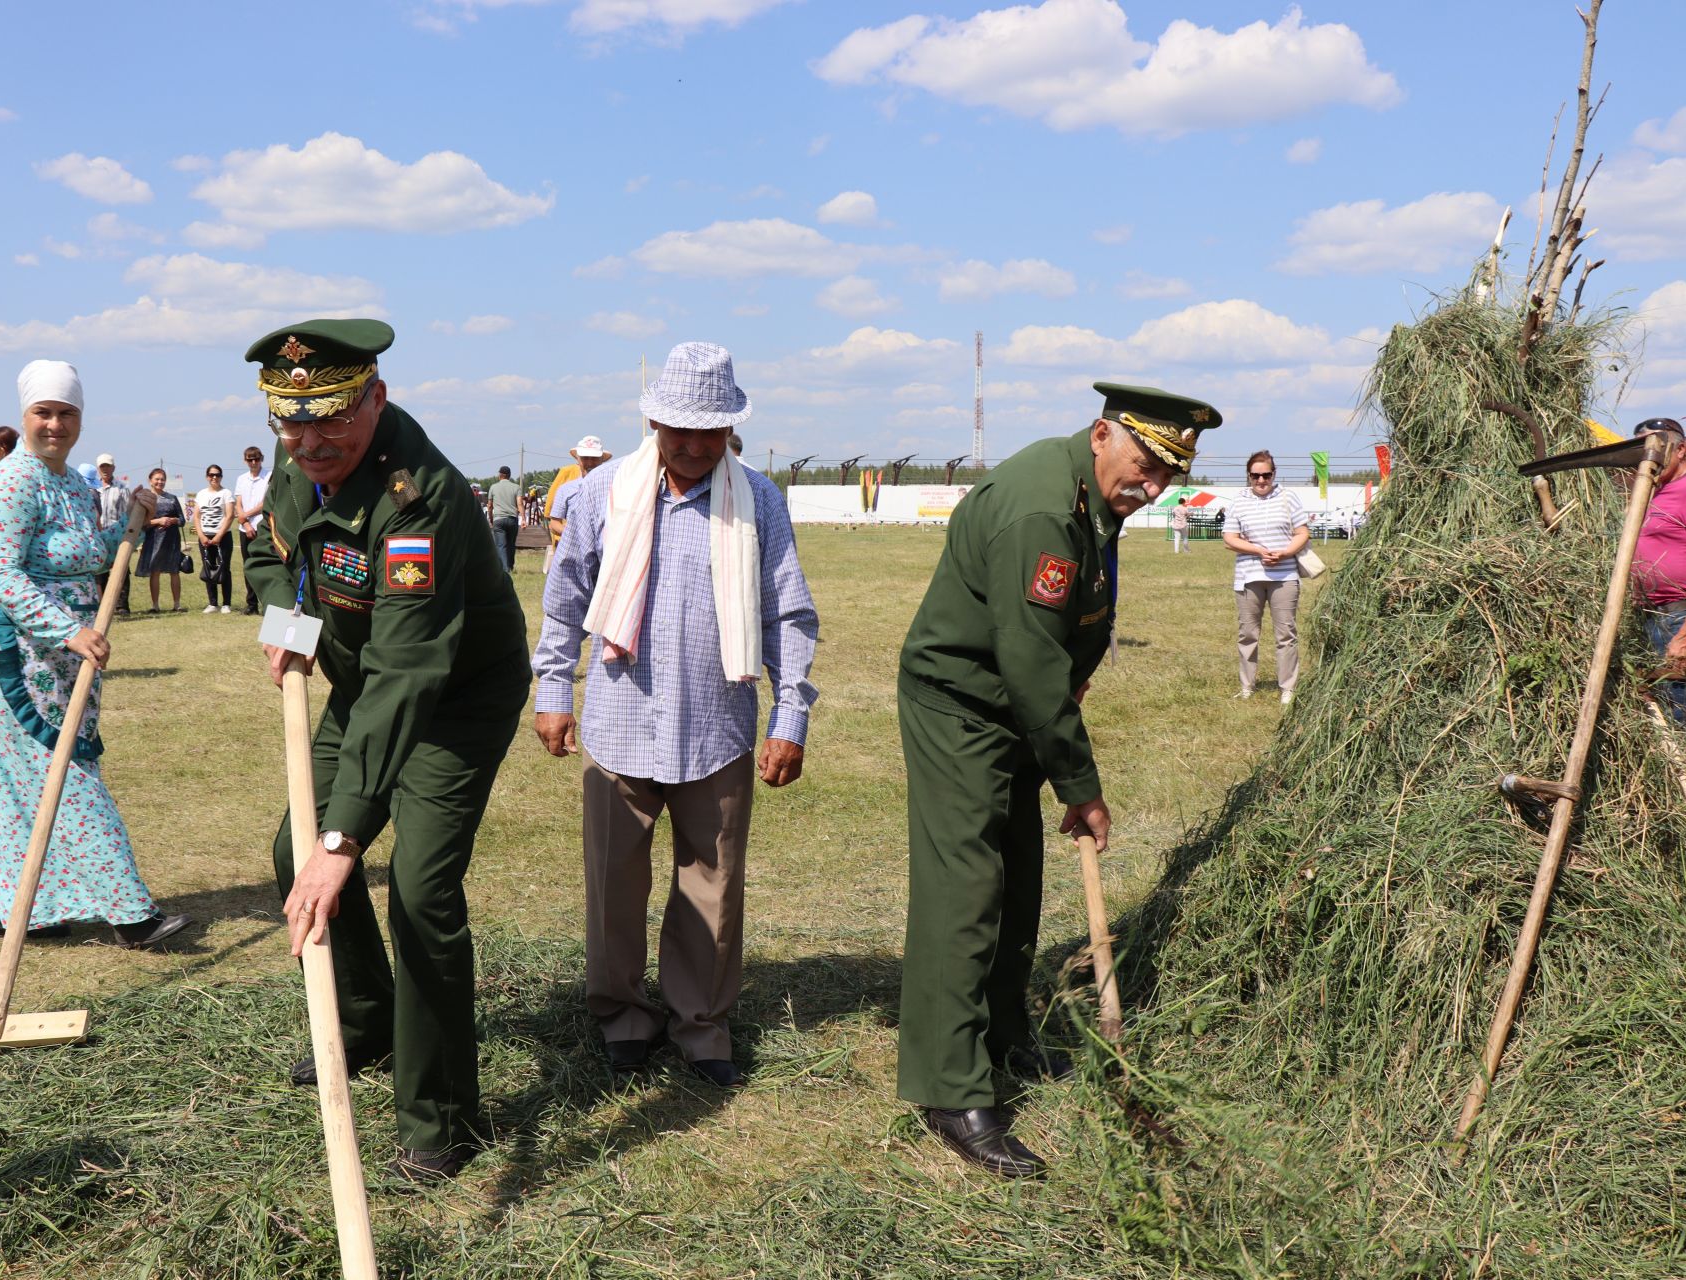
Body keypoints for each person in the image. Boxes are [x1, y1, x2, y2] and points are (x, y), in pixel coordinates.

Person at [895, 381, 1220, 1178]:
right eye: (1145, 465)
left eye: (1167, 477)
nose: (1151, 489)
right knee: (966, 887)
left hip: (1014, 705)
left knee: (1018, 878)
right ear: (1103, 432)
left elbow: (1063, 634)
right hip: (962, 707)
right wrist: (1081, 785)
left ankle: (1005, 1037)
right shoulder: (1044, 506)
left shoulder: (1090, 496)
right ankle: (951, 1086)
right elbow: (1032, 662)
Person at [243, 319, 530, 1185]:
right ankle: (365, 1022)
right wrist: (285, 623)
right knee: (293, 845)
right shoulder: (302, 462)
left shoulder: (421, 498)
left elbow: (413, 668)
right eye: (291, 423)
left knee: (419, 889)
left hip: (455, 697)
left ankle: (443, 1114)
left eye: (330, 418)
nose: (309, 442)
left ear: (378, 396)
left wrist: (346, 842)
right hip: (367, 683)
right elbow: (270, 552)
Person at [533, 341, 820, 1089]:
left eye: (710, 433)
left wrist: (790, 715)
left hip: (717, 726)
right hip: (619, 724)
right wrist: (554, 691)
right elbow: (563, 603)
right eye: (678, 431)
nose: (693, 447)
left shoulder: (757, 500)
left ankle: (702, 1023)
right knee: (613, 882)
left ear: (732, 430)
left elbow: (787, 613)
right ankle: (622, 1015)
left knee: (714, 883)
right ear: (654, 422)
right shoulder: (602, 497)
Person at [0, 360, 192, 947]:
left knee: (23, 778)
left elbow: (88, 556)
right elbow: (0, 574)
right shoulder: (6, 483)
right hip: (18, 652)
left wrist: (132, 526)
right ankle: (131, 913)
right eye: (43, 412)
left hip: (72, 652)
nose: (54, 425)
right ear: (24, 416)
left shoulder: (70, 483)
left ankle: (15, 907)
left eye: (66, 413)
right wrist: (65, 629)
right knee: (62, 774)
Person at [1630, 419, 1686, 741]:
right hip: (1652, 617)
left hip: (1677, 617)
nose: (1646, 457)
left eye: (1654, 448)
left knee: (1683, 715)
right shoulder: (1656, 492)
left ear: (1680, 449)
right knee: (1662, 713)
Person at [1221, 450, 1310, 705]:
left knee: (1286, 634)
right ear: (1248, 475)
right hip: (1248, 576)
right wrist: (1259, 550)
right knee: (1248, 633)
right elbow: (1230, 538)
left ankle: (1288, 688)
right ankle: (1247, 685)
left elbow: (1302, 532)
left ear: (1274, 474)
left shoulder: (1288, 497)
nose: (1261, 480)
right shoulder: (1238, 500)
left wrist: (1284, 553)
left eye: (1266, 475)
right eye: (1255, 475)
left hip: (1285, 576)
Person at [545, 435, 612, 561]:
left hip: (606, 555)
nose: (590, 462)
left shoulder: (614, 489)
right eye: (585, 458)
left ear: (602, 460)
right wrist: (573, 534)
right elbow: (554, 523)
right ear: (578, 460)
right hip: (573, 554)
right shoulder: (565, 490)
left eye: (594, 458)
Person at [136, 467, 186, 611]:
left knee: (174, 571)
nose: (160, 482)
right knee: (155, 572)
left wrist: (173, 520)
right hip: (153, 540)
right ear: (150, 481)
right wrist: (158, 521)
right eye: (157, 479)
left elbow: (182, 520)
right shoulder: (145, 499)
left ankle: (177, 605)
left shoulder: (172, 498)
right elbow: (141, 523)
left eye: (162, 479)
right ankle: (155, 606)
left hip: (172, 540)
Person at [234, 444, 271, 614]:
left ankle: (268, 603)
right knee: (248, 565)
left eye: (256, 459)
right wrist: (245, 523)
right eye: (250, 459)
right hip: (245, 528)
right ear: (245, 461)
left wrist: (245, 516)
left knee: (265, 566)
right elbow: (238, 503)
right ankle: (251, 604)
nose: (254, 462)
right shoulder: (242, 479)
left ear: (261, 459)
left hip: (263, 527)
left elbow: (265, 503)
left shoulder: (269, 476)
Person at [194, 464, 235, 613]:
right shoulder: (201, 494)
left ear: (221, 476)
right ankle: (213, 603)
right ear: (207, 477)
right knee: (208, 567)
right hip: (204, 536)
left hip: (223, 536)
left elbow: (230, 516)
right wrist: (201, 536)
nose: (214, 477)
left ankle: (226, 604)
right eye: (211, 475)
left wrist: (218, 536)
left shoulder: (226, 493)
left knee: (224, 568)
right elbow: (197, 516)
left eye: (217, 475)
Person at [95, 454, 133, 612]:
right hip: (98, 535)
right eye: (102, 466)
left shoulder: (122, 488)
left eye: (108, 466)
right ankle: (103, 605)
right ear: (98, 469)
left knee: (121, 569)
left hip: (117, 534)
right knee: (99, 571)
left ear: (113, 468)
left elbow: (128, 513)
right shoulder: (93, 488)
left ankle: (121, 605)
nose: (105, 469)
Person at [488, 465, 522, 570]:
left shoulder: (493, 487)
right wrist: (524, 518)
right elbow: (520, 503)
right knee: (511, 545)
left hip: (498, 519)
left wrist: (491, 519)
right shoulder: (516, 487)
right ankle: (510, 566)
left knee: (501, 545)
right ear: (509, 476)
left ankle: (505, 569)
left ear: (500, 475)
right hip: (512, 519)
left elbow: (489, 506)